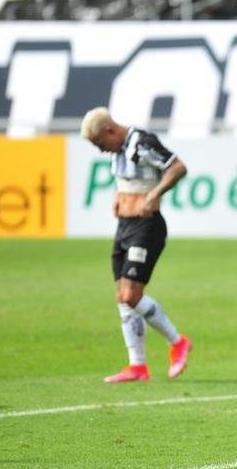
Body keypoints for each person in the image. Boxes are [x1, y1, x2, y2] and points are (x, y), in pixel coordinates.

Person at [80, 107, 193, 383]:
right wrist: (119, 196)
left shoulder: (141, 142)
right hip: (125, 227)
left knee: (131, 295)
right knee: (122, 297)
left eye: (99, 144)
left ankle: (177, 341)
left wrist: (155, 194)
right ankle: (137, 366)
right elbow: (130, 180)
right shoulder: (119, 150)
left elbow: (177, 167)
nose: (100, 150)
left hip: (147, 227)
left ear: (109, 130)